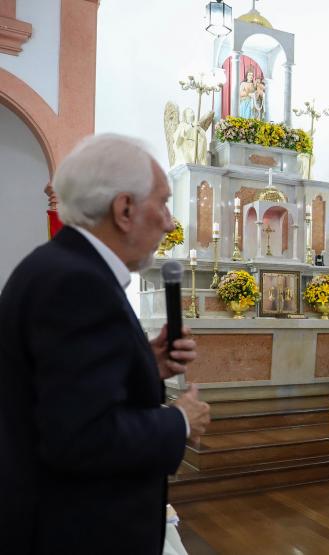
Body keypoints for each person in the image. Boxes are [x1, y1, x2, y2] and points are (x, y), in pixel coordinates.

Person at [0, 134, 211, 554]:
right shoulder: (76, 283)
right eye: (164, 202)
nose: (170, 222)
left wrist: (145, 364)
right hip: (76, 530)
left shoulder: (60, 266)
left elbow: (61, 398)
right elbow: (82, 438)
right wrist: (180, 420)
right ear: (125, 209)